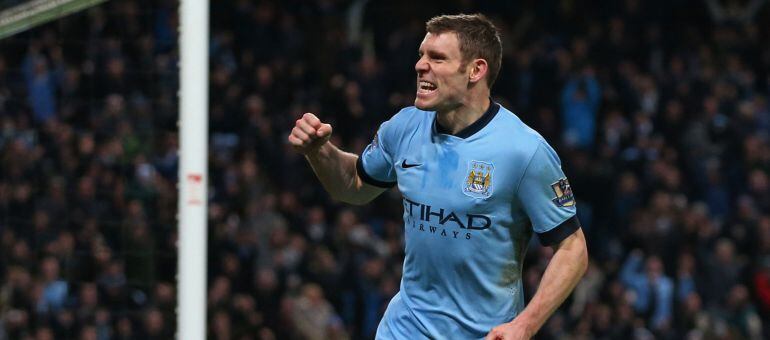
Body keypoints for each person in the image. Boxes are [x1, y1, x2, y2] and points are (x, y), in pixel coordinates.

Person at [288, 13, 588, 340]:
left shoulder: (523, 152)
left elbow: (572, 250)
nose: (420, 65)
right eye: (421, 55)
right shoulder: (403, 127)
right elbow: (354, 185)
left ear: (476, 70)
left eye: (437, 58)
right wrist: (319, 151)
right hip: (403, 329)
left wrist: (524, 325)